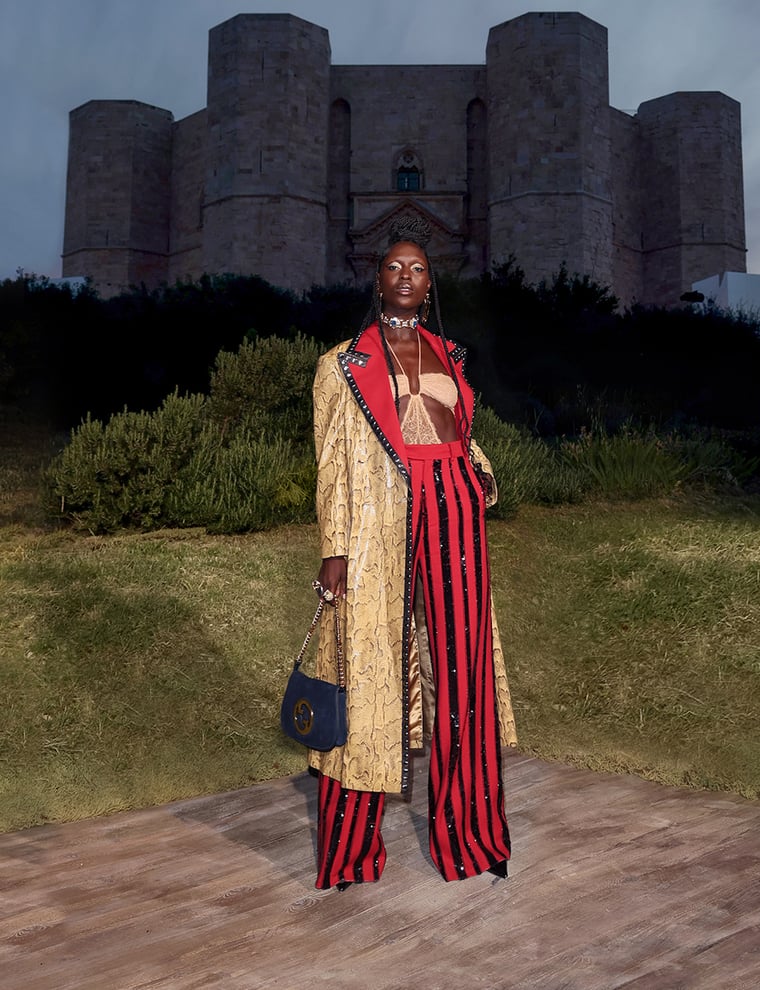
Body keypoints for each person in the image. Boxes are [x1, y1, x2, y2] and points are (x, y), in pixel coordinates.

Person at [309, 215, 517, 891]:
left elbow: (456, 432)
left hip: (454, 509)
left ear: (430, 285)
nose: (405, 277)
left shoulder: (452, 355)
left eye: (417, 269)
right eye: (394, 267)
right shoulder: (342, 364)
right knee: (367, 673)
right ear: (378, 281)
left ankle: (476, 840)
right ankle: (350, 854)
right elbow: (333, 464)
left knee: (464, 674)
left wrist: (476, 471)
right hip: (380, 521)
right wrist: (334, 548)